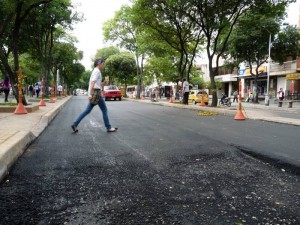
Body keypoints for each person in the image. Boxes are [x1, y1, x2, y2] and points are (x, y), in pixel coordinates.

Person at [71, 58, 117, 133]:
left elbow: (96, 83)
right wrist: (89, 94)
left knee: (87, 110)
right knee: (104, 110)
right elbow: (92, 82)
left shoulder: (95, 71)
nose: (103, 65)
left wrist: (103, 84)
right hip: (96, 93)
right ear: (99, 63)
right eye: (103, 63)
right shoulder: (97, 71)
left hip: (95, 92)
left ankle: (75, 123)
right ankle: (108, 127)